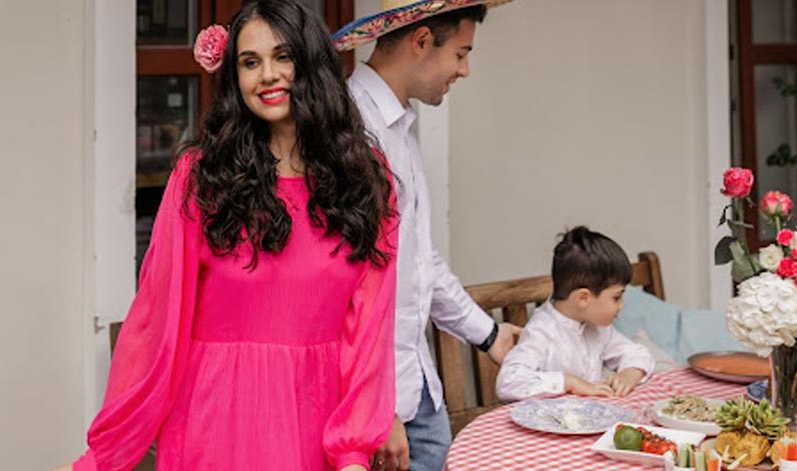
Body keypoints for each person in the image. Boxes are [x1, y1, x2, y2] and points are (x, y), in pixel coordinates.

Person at [54, 1, 399, 470]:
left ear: (312, 62)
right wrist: (104, 457)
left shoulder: (365, 180)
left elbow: (370, 328)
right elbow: (154, 322)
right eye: (250, 62)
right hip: (212, 425)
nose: (268, 76)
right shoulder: (202, 178)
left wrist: (354, 451)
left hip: (315, 428)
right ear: (235, 78)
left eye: (283, 57)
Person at [332, 1, 521, 470]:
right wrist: (378, 405)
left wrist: (490, 335)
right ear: (420, 43)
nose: (466, 69)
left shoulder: (400, 126)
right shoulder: (348, 130)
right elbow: (344, 287)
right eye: (460, 53)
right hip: (376, 403)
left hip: (417, 386)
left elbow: (418, 261)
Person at [496, 226, 656, 402]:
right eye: (616, 297)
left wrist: (630, 373)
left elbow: (636, 353)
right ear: (583, 298)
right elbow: (508, 382)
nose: (622, 305)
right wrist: (569, 382)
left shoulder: (596, 327)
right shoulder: (541, 333)